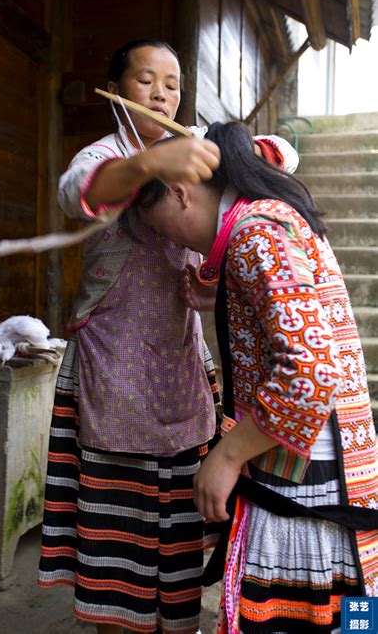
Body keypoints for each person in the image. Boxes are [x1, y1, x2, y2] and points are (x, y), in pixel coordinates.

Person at [38, 39, 298, 634]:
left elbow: (283, 154)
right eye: (145, 80)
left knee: (180, 542)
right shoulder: (103, 155)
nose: (161, 94)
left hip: (180, 367)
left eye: (173, 83)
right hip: (111, 373)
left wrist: (229, 150)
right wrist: (152, 165)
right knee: (117, 546)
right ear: (117, 89)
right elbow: (78, 190)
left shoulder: (195, 148)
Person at [136, 120, 378, 634]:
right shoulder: (268, 219)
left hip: (307, 476)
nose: (172, 242)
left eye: (161, 228)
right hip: (332, 468)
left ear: (180, 194)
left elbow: (310, 372)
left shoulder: (255, 234)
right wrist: (223, 297)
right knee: (356, 612)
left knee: (295, 619)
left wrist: (226, 456)